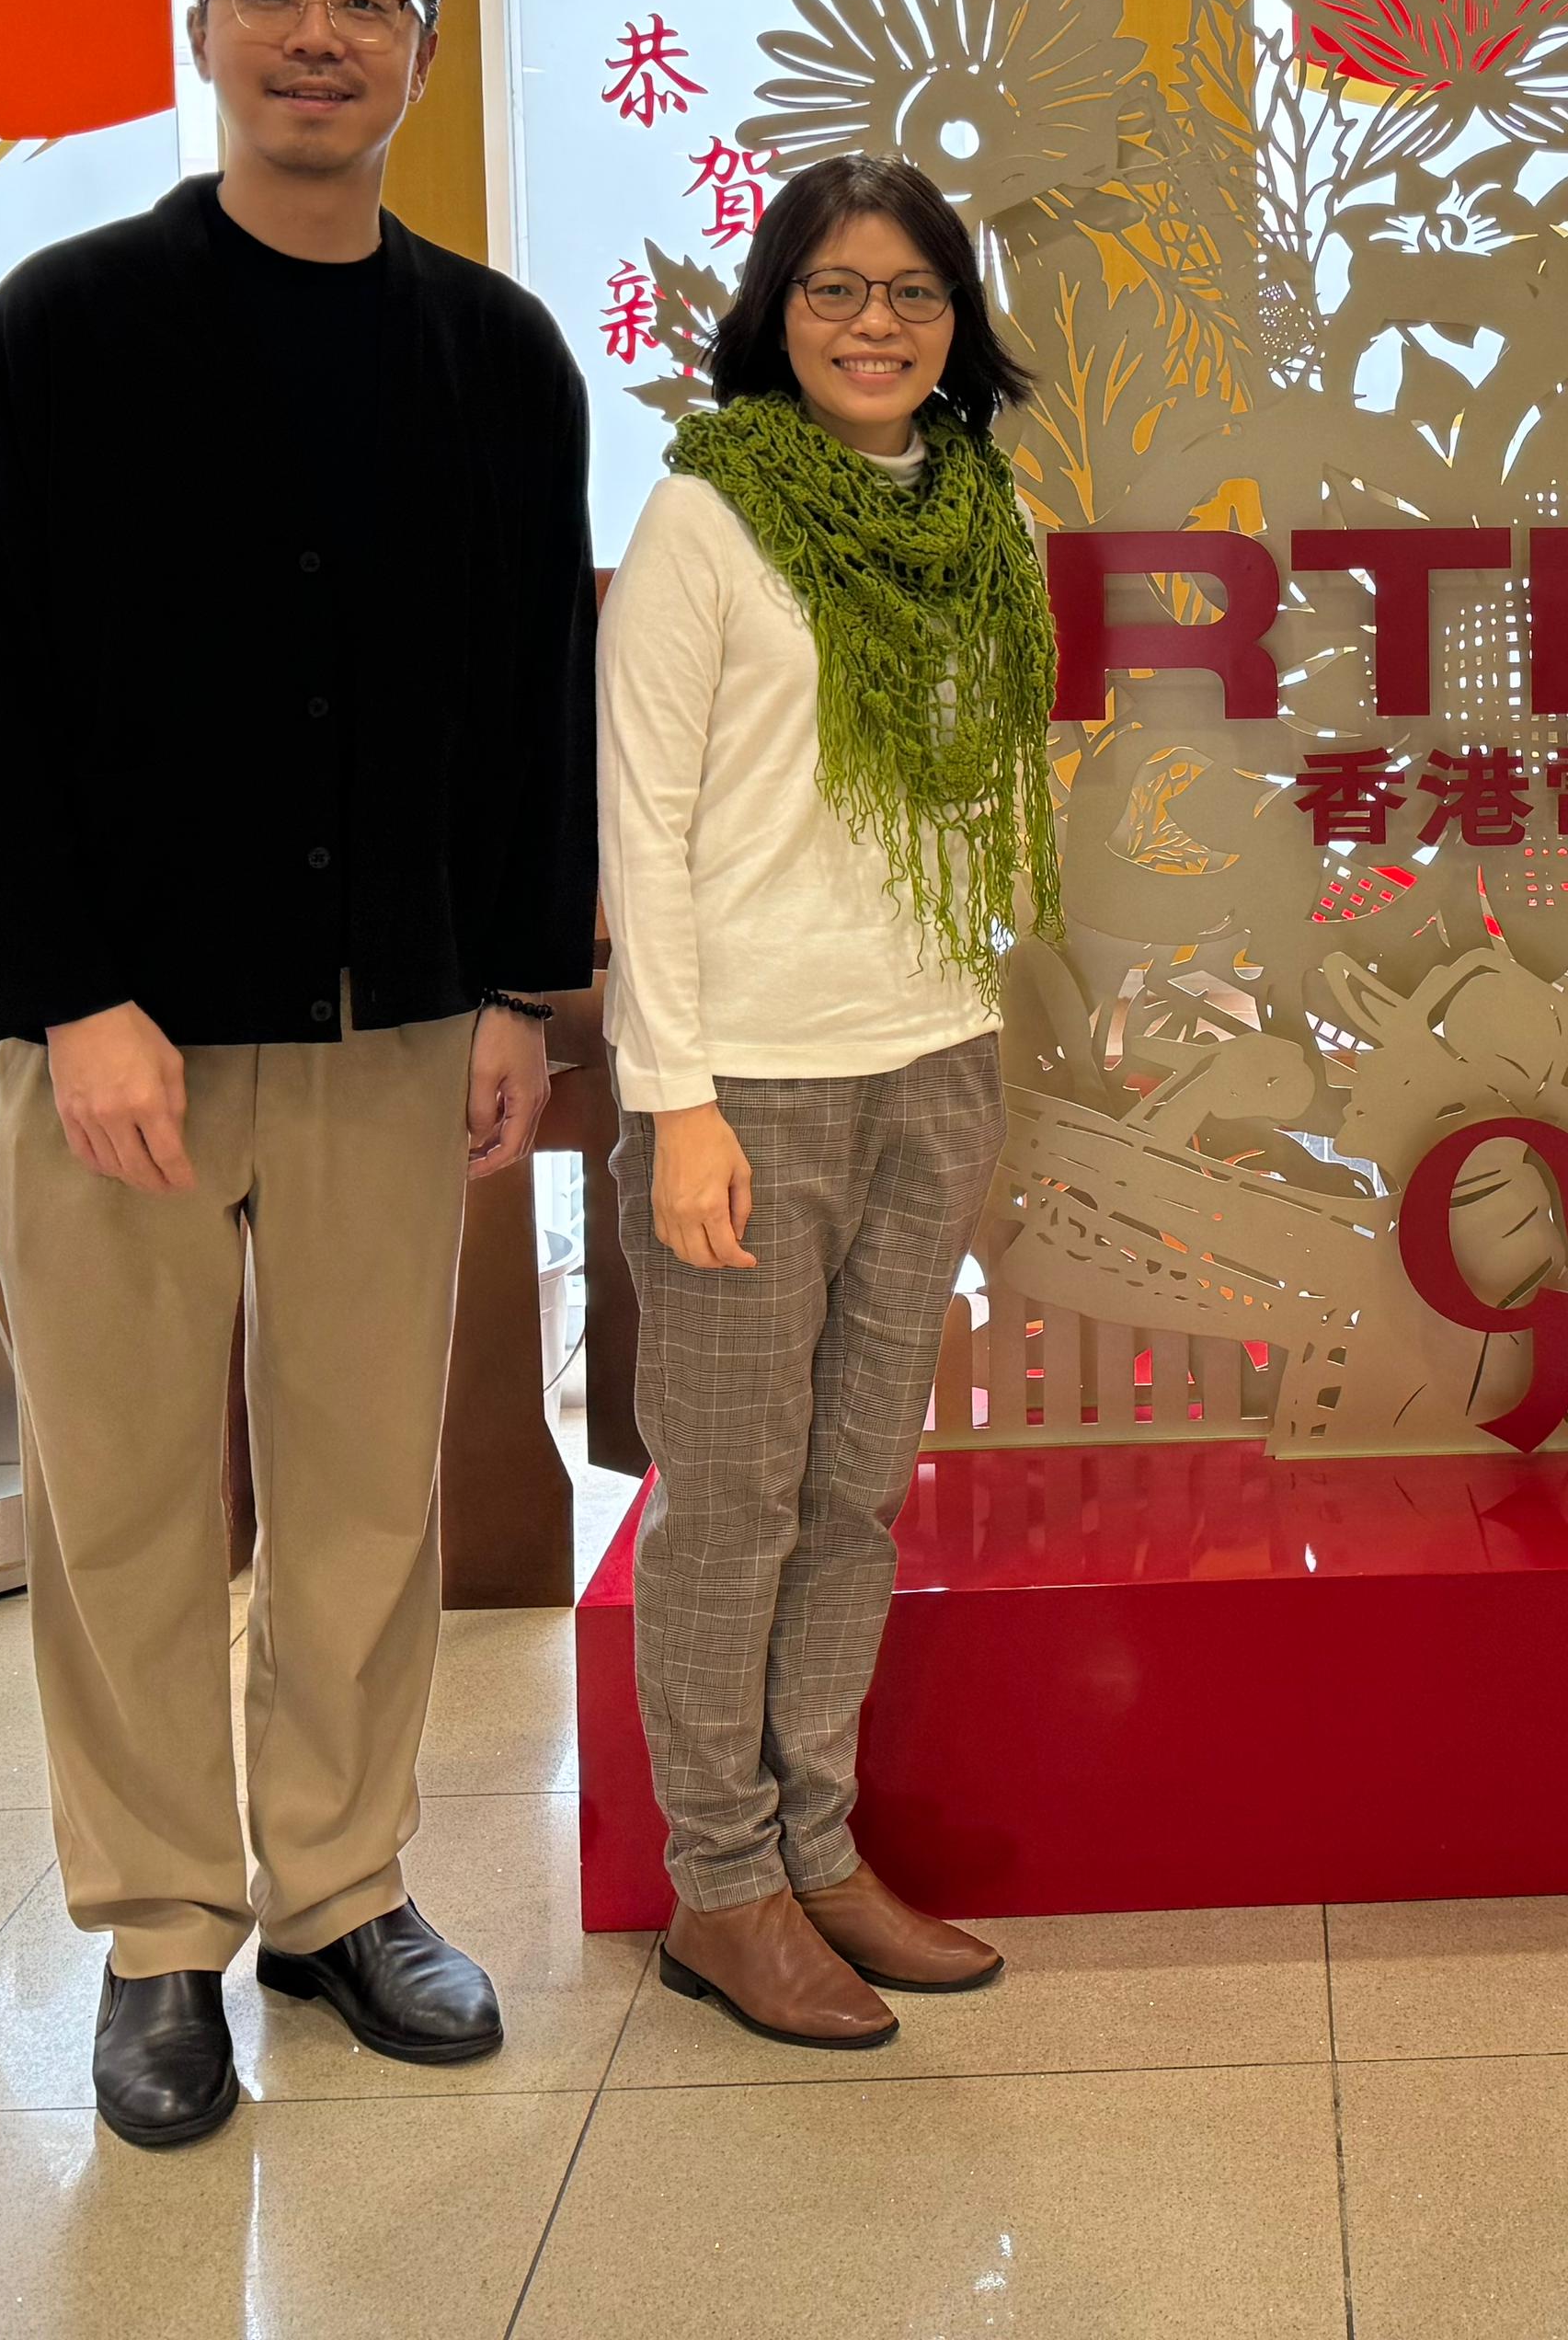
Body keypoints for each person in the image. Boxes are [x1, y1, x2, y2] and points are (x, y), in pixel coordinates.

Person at [0, 0, 596, 2148]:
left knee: (364, 1492)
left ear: (424, 48)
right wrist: (65, 999)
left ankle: (338, 1889)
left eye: (368, 1)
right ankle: (157, 1932)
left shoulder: (495, 355)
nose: (321, 35)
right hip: (121, 1033)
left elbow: (531, 700)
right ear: (201, 26)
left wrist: (517, 987)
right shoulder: (61, 328)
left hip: (398, 1024)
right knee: (120, 1493)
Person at [601, 154, 1061, 2050]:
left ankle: (817, 1845)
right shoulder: (706, 517)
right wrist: (675, 1101)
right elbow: (641, 823)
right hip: (749, 1084)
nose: (876, 325)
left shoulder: (986, 515)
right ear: (773, 312)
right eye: (835, 290)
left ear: (957, 322)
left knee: (856, 1490)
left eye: (912, 293)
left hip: (931, 1055)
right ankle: (722, 1887)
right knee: (732, 1502)